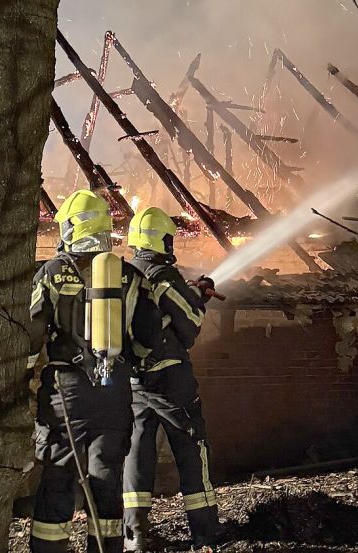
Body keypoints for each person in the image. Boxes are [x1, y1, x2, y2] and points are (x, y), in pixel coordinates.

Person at [27, 190, 163, 553]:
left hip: (65, 393)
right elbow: (148, 338)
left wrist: (25, 377)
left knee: (57, 476)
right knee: (106, 480)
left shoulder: (52, 273)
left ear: (71, 228)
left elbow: (32, 331)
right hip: (114, 393)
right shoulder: (131, 277)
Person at [121, 207, 222, 551]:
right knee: (192, 449)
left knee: (136, 452)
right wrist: (200, 296)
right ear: (161, 239)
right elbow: (190, 323)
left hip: (134, 382)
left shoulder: (124, 275)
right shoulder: (163, 274)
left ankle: (133, 534)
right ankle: (204, 533)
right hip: (171, 381)